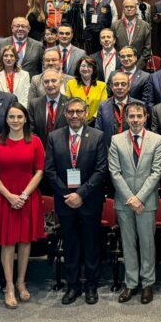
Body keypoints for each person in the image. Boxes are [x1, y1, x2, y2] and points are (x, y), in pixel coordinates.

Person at [44, 98, 107, 305]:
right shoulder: (54, 137)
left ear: (86, 112)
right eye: (70, 111)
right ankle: (72, 286)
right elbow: (50, 170)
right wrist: (67, 195)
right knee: (70, 245)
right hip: (64, 201)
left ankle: (91, 286)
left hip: (89, 200)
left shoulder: (97, 136)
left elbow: (101, 170)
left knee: (91, 244)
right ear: (65, 113)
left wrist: (80, 194)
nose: (74, 115)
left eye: (79, 111)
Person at [0, 103, 45, 309]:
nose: (15, 121)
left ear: (26, 119)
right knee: (8, 243)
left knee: (25, 242)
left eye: (19, 117)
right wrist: (9, 196)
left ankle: (21, 282)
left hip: (27, 196)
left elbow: (39, 171)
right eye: (11, 117)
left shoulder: (35, 141)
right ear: (6, 119)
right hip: (3, 197)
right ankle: (9, 286)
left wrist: (24, 195)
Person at [108, 102, 161, 305]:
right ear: (125, 118)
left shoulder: (157, 140)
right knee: (128, 243)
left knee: (147, 244)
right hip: (124, 202)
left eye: (139, 116)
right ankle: (131, 283)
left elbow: (157, 172)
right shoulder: (116, 140)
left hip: (146, 202)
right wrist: (130, 199)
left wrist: (139, 198)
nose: (135, 120)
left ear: (146, 117)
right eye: (131, 116)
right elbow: (114, 172)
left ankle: (148, 283)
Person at [27, 68, 68, 143]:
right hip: (40, 149)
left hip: (63, 149)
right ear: (43, 84)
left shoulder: (69, 103)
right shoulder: (34, 104)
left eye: (53, 81)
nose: (50, 84)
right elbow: (30, 130)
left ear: (61, 82)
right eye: (46, 82)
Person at [65, 56, 107, 124]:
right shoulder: (70, 84)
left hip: (95, 123)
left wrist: (93, 119)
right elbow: (67, 104)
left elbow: (103, 106)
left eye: (89, 66)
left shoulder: (102, 86)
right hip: (75, 121)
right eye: (83, 66)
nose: (86, 68)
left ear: (94, 69)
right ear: (79, 68)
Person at [111, 0, 152, 67]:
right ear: (123, 9)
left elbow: (147, 49)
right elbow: (112, 47)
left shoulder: (145, 26)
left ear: (136, 9)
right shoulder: (115, 25)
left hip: (139, 66)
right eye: (126, 7)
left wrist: (138, 66)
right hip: (120, 66)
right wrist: (119, 63)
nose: (129, 9)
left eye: (131, 7)